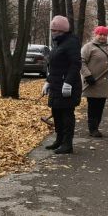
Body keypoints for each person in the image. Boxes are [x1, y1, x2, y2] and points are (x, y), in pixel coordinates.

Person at [43, 15, 82, 154]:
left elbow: (75, 64)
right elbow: (54, 66)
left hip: (67, 86)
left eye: (55, 30)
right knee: (56, 113)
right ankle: (59, 140)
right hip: (56, 84)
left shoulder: (71, 43)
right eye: (52, 30)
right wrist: (48, 81)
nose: (52, 33)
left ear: (62, 31)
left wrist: (68, 83)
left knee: (66, 115)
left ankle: (67, 144)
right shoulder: (59, 43)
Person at [80, 26, 108, 138]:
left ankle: (96, 127)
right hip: (92, 82)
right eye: (100, 34)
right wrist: (87, 75)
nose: (102, 37)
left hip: (104, 83)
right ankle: (93, 129)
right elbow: (80, 62)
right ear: (95, 34)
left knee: (100, 106)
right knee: (93, 106)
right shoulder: (88, 47)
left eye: (104, 35)